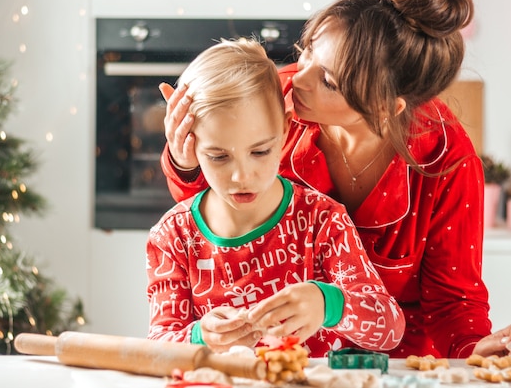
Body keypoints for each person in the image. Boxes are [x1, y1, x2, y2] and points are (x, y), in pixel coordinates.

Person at [159, 0, 511, 361]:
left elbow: (453, 302)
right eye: (308, 50)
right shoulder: (277, 96)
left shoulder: (448, 163)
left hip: (395, 367)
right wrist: (186, 161)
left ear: (385, 106)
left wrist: (477, 350)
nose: (299, 79)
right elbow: (213, 209)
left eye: (329, 80)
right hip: (289, 361)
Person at [146, 38, 405, 357]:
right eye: (218, 156)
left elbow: (390, 328)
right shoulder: (172, 236)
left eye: (260, 151)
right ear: (189, 144)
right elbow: (157, 343)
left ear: (285, 129)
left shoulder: (322, 222)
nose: (242, 176)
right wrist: (200, 336)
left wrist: (328, 304)